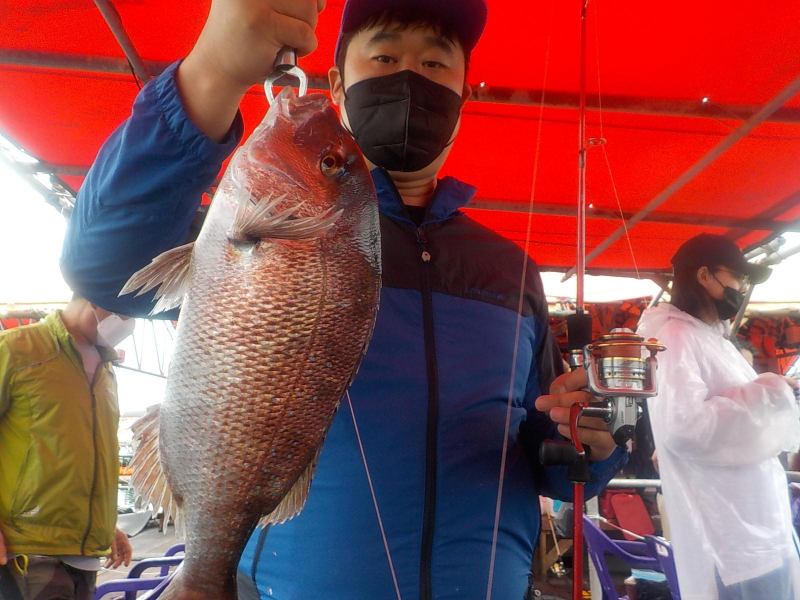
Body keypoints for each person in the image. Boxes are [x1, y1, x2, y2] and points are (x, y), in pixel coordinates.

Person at [59, 0, 629, 597]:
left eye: (435, 64)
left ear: (464, 96)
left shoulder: (513, 270)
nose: (409, 77)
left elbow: (543, 448)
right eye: (384, 56)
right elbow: (102, 265)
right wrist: (211, 74)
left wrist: (584, 446)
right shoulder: (261, 228)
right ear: (336, 84)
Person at [636, 233, 800, 600]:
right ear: (704, 275)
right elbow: (685, 427)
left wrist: (768, 394)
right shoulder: (676, 336)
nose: (741, 287)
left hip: (753, 523)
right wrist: (770, 392)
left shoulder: (709, 337)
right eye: (738, 276)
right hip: (730, 532)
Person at [0, 294, 134, 600]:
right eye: (125, 311)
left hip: (85, 559)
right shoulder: (16, 348)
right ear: (93, 296)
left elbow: (86, 453)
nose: (130, 323)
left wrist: (104, 526)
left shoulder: (107, 367)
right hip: (25, 553)